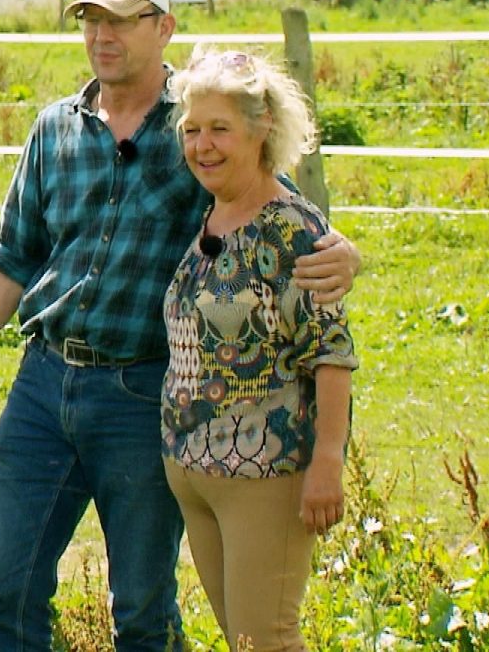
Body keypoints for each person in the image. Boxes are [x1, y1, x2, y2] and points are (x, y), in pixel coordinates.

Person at [0, 0, 359, 651]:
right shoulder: (55, 131)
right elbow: (10, 260)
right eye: (91, 20)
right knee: (5, 586)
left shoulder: (197, 127)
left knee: (141, 606)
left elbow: (270, 201)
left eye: (121, 20)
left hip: (143, 393)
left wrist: (343, 248)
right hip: (43, 386)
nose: (102, 36)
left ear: (164, 27)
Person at [161, 47, 358, 651]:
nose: (203, 146)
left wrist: (328, 458)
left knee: (267, 639)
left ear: (261, 128)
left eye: (220, 128)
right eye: (192, 131)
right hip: (195, 467)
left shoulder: (292, 230)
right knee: (242, 639)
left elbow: (331, 349)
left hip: (265, 472)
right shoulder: (213, 214)